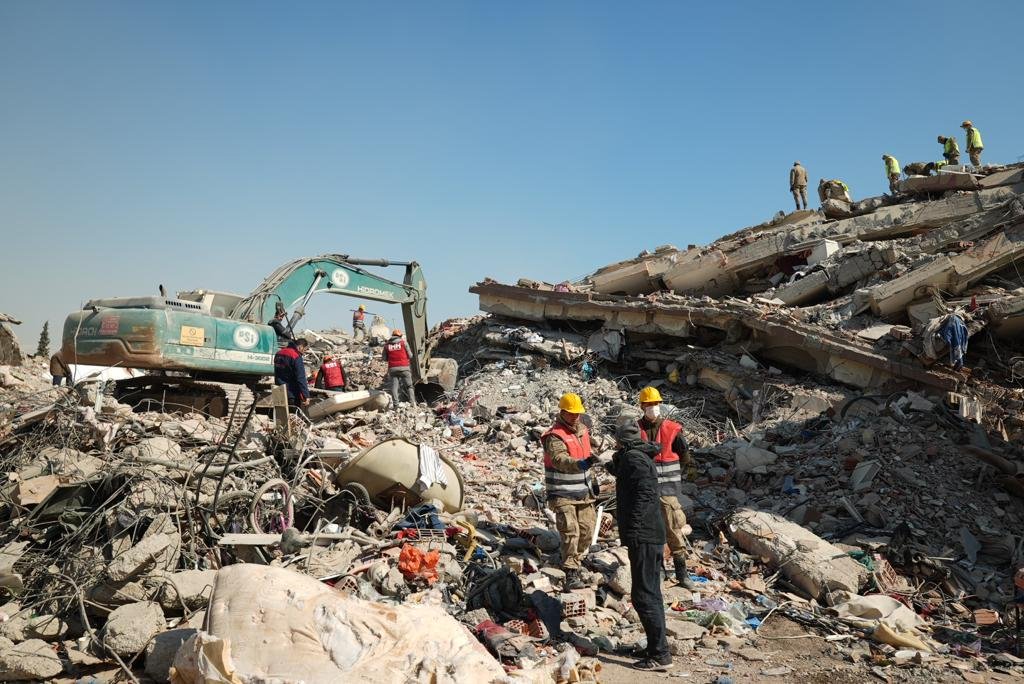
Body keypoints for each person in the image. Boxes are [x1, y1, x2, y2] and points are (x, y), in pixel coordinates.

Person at [605, 422, 672, 672]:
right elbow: (624, 474)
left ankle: (660, 655)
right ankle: (657, 648)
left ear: (619, 440)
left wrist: (633, 527)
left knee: (644, 595)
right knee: (650, 592)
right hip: (649, 534)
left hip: (644, 535)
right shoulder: (636, 457)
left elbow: (644, 493)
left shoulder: (635, 460)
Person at [636, 387, 700, 590]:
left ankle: (682, 573)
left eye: (655, 404)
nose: (652, 408)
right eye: (648, 404)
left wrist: (687, 470)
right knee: (650, 532)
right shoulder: (635, 430)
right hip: (644, 491)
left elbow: (684, 455)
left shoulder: (672, 429)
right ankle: (658, 571)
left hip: (667, 491)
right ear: (642, 406)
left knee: (673, 528)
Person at [542, 392, 598, 590]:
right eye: (571, 413)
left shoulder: (582, 430)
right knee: (570, 531)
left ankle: (575, 558)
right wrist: (581, 464)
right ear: (562, 412)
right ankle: (570, 571)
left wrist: (594, 481)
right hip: (562, 493)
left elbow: (586, 455)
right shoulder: (554, 436)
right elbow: (559, 460)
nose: (576, 417)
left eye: (578, 413)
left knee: (586, 531)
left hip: (583, 493)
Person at [274, 337, 310, 410]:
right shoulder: (295, 356)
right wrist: (306, 395)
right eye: (305, 350)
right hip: (292, 393)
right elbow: (301, 377)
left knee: (280, 416)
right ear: (300, 347)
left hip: (278, 390)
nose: (304, 353)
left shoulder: (279, 353)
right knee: (292, 417)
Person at [383, 329, 416, 406]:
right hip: (404, 368)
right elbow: (410, 355)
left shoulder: (387, 345)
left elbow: (384, 358)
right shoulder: (403, 343)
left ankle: (396, 404)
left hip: (393, 369)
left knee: (394, 387)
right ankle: (412, 403)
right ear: (400, 336)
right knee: (409, 386)